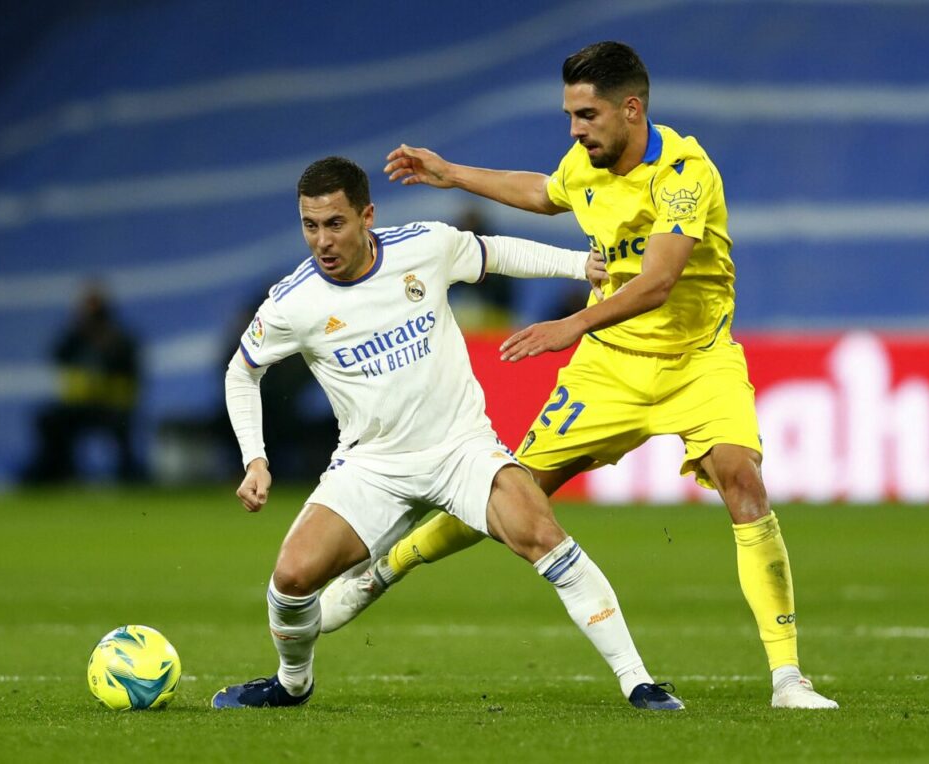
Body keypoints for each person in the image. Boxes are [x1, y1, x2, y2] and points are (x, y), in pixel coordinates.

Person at [323, 41, 838, 710]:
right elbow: (544, 192)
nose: (575, 129)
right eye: (570, 115)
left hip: (697, 360)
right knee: (512, 495)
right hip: (609, 368)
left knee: (742, 478)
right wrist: (452, 174)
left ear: (631, 109)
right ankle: (385, 570)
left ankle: (788, 679)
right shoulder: (587, 164)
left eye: (587, 115)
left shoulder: (684, 173)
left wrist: (572, 324)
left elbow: (658, 281)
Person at [211, 156, 683, 711]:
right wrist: (255, 458)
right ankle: (293, 683)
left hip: (462, 450)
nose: (322, 241)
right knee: (292, 578)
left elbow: (494, 253)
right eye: (310, 226)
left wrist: (579, 265)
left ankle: (638, 681)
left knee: (543, 535)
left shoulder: (423, 246)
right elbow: (242, 372)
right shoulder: (293, 302)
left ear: (367, 215)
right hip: (373, 466)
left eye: (335, 223)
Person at [20, 284, 144, 483]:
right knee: (48, 419)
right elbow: (57, 355)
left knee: (122, 423)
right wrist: (77, 330)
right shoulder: (75, 339)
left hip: (111, 405)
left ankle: (128, 471)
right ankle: (58, 469)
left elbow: (134, 379)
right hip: (80, 405)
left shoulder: (122, 340)